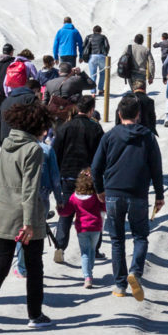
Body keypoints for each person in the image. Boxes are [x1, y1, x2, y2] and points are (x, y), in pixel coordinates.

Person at [0, 101, 53, 331]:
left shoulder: (6, 145)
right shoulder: (33, 149)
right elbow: (30, 189)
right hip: (25, 214)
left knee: (1, 264)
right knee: (34, 265)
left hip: (3, 210)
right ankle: (35, 314)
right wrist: (29, 222)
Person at [91, 94, 164, 303]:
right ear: (139, 115)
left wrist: (99, 189)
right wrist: (159, 195)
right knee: (140, 236)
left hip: (113, 193)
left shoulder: (110, 136)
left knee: (117, 240)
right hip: (139, 194)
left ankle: (120, 285)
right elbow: (156, 168)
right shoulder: (148, 136)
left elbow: (96, 167)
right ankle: (135, 272)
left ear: (119, 114)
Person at [52, 97, 103, 260]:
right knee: (93, 211)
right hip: (88, 177)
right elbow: (101, 156)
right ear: (91, 110)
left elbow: (55, 153)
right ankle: (94, 248)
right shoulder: (96, 128)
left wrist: (58, 174)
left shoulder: (64, 128)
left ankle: (60, 246)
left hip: (66, 175)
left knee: (65, 213)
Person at [68, 170, 104, 288]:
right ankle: (90, 271)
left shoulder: (74, 197)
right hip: (96, 227)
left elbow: (66, 212)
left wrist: (59, 208)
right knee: (92, 250)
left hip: (82, 228)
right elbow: (105, 207)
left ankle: (87, 276)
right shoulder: (96, 196)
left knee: (85, 252)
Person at [0, 76, 38, 145]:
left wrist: (0, 142)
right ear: (36, 90)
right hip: (24, 141)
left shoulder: (6, 100)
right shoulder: (31, 98)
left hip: (6, 141)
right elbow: (36, 120)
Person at [83, 26, 110, 95]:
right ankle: (100, 89)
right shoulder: (103, 37)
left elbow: (83, 46)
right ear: (100, 31)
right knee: (103, 73)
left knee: (93, 74)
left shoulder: (89, 37)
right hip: (101, 56)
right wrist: (105, 54)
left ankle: (93, 92)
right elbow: (107, 46)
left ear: (93, 30)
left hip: (92, 57)